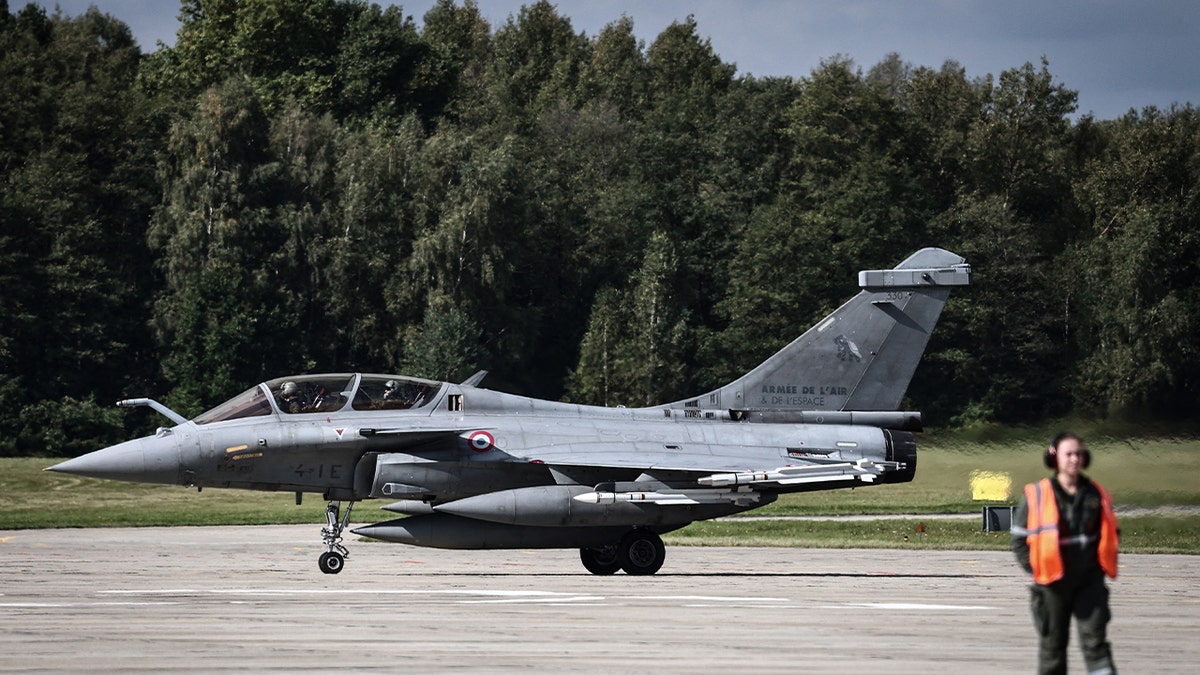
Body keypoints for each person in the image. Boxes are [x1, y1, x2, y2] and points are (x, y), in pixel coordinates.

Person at [1012, 432, 1120, 675]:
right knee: (1053, 649)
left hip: (1089, 583)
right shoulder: (1036, 495)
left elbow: (1111, 534)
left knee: (1096, 646)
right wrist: (1037, 568)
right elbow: (1019, 541)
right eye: (1068, 454)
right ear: (1054, 458)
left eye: (1079, 454)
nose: (1074, 459)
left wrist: (1099, 569)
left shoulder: (1097, 494)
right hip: (1052, 584)